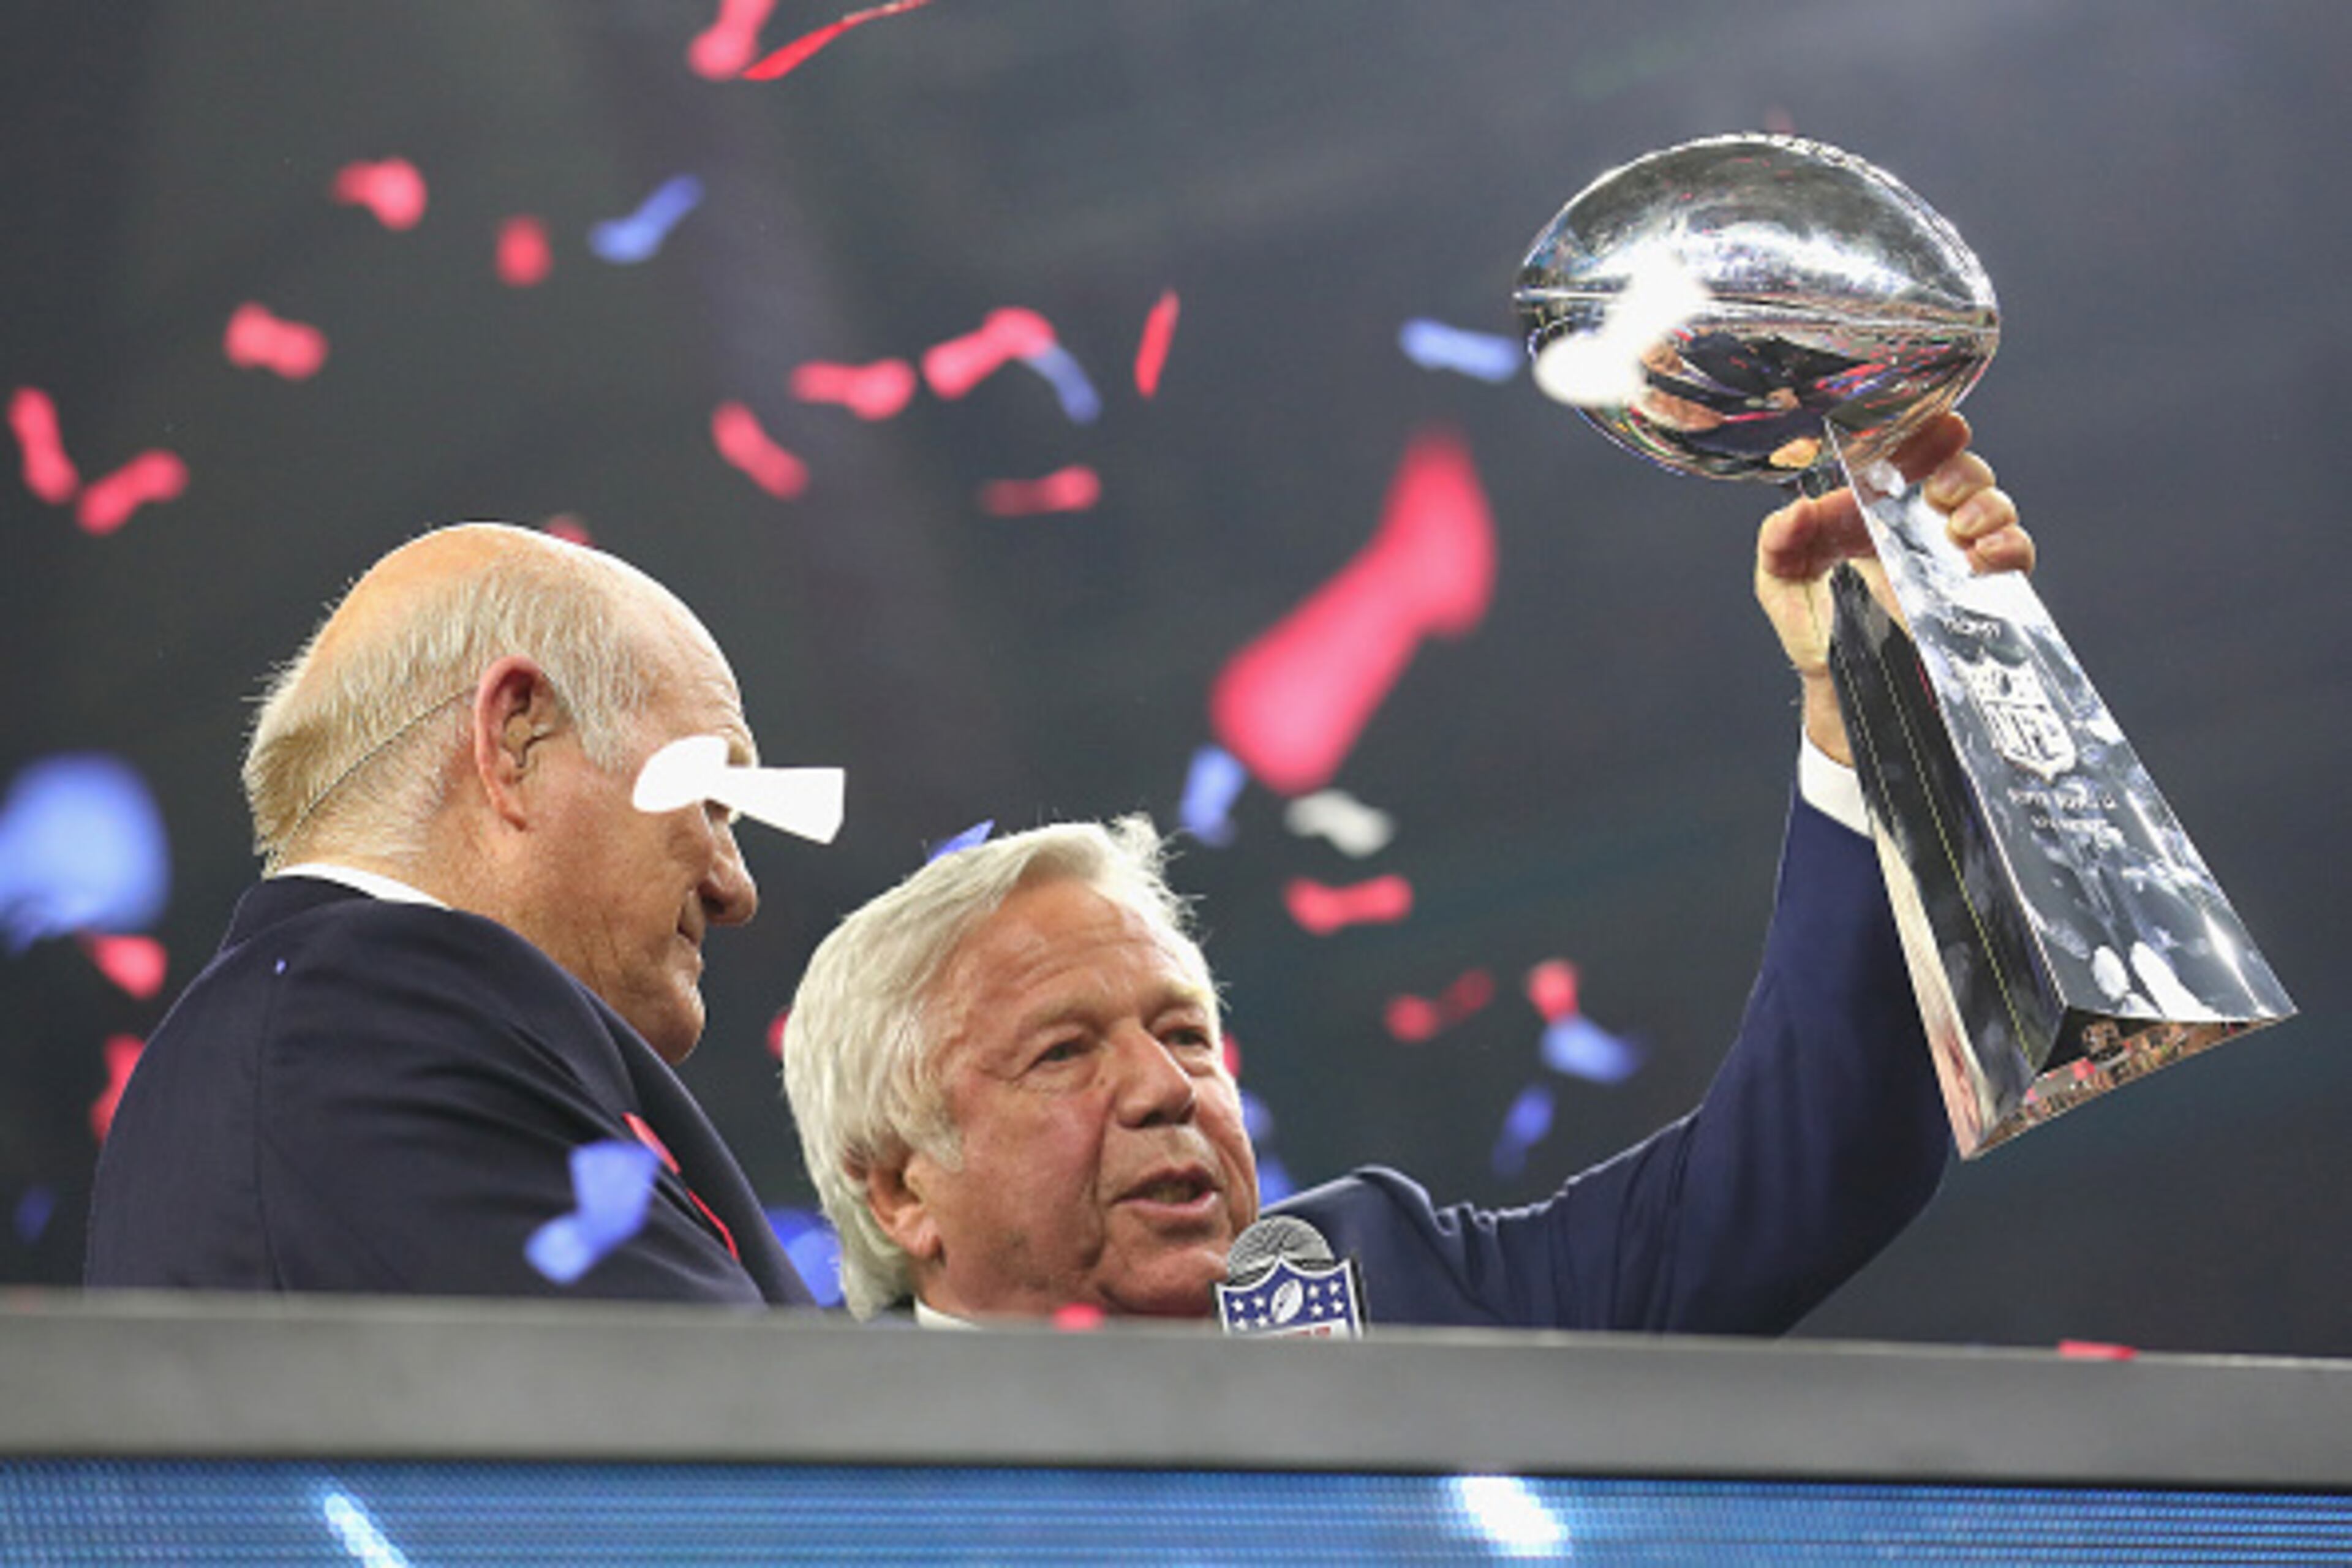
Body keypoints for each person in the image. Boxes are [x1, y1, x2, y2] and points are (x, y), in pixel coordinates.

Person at [781, 413, 2030, 1328]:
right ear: (899, 1190)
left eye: (1188, 1034)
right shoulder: (782, 1479)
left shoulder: (1386, 1281)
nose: (1168, 1088)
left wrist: (1865, 696)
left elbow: (1818, 1153)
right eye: (1064, 1051)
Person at [86, 523, 813, 1305]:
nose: (735, 890)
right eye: (710, 798)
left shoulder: (313, 1022)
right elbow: (714, 1406)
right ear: (516, 735)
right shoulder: (363, 1014)